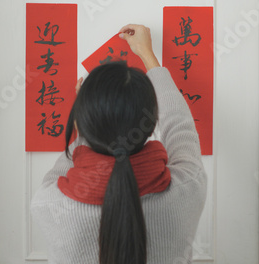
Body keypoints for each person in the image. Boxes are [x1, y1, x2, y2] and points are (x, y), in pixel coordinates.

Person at [31, 24, 207, 264]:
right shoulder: (187, 186)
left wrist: (89, 114)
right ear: (151, 121)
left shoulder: (49, 204)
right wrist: (147, 55)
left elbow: (69, 168)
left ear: (81, 121)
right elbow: (179, 124)